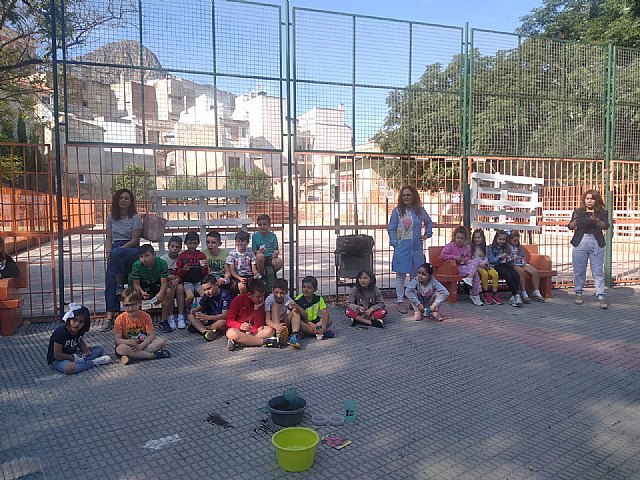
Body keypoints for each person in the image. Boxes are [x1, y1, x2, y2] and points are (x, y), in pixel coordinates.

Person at [387, 185, 433, 313]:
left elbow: (429, 222)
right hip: (402, 248)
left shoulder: (420, 211)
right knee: (400, 276)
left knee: (415, 277)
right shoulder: (397, 212)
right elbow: (391, 228)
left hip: (416, 249)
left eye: (408, 195)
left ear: (414, 196)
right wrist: (395, 243)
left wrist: (427, 234)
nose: (406, 197)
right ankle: (400, 301)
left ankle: (414, 302)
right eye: (404, 195)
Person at [104, 188, 142, 331]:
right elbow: (108, 238)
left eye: (126, 198)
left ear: (131, 201)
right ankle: (110, 318)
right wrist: (109, 252)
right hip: (114, 250)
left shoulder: (135, 217)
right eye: (121, 198)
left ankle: (135, 316)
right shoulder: (110, 218)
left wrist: (117, 251)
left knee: (117, 253)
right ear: (117, 200)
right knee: (110, 281)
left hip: (131, 249)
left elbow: (135, 239)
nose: (123, 200)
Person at [568, 189, 610, 309]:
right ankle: (578, 293)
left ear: (596, 200)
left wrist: (596, 220)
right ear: (584, 200)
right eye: (587, 198)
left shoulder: (602, 212)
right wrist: (576, 220)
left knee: (597, 271)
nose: (589, 201)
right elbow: (570, 226)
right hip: (580, 241)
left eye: (592, 198)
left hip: (596, 241)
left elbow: (606, 226)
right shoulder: (578, 211)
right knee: (579, 270)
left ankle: (601, 295)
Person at [47, 303, 113, 374]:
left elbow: (79, 340)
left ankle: (83, 361)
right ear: (69, 320)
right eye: (74, 320)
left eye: (81, 322)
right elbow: (57, 355)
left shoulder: (79, 330)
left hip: (74, 354)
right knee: (70, 368)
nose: (77, 324)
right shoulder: (61, 332)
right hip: (58, 360)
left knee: (99, 349)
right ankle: (94, 362)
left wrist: (85, 350)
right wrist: (73, 357)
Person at [114, 288, 170, 365]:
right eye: (126, 305)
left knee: (161, 342)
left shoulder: (145, 316)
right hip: (128, 344)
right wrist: (128, 342)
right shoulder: (120, 319)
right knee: (120, 349)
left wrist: (141, 346)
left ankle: (134, 356)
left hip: (143, 342)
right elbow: (117, 340)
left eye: (133, 304)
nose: (130, 308)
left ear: (140, 303)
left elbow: (151, 335)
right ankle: (152, 355)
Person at [225, 278, 279, 351]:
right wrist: (240, 325)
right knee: (231, 332)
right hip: (240, 330)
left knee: (270, 330)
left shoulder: (263, 303)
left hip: (255, 331)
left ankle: (241, 341)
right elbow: (229, 321)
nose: (261, 299)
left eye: (262, 296)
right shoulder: (237, 300)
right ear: (249, 294)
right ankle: (264, 342)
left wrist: (256, 310)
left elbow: (259, 325)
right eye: (258, 296)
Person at [129, 244, 172, 332]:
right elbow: (136, 284)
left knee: (168, 292)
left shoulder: (161, 263)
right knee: (135, 294)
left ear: (154, 255)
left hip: (156, 286)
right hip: (142, 287)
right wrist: (141, 292)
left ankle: (164, 321)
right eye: (141, 256)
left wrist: (160, 293)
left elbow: (164, 282)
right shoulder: (136, 265)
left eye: (147, 256)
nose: (144, 259)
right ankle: (139, 322)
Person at [440, 226, 483, 306]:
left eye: (462, 239)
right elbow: (443, 255)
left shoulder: (466, 247)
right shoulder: (450, 246)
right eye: (458, 238)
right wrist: (455, 258)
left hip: (465, 266)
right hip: (455, 267)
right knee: (475, 273)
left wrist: (465, 259)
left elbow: (469, 257)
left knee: (476, 262)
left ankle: (470, 281)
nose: (460, 240)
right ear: (454, 237)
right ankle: (474, 294)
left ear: (465, 239)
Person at [288, 275, 334, 348]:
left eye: (309, 287)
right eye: (304, 287)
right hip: (305, 322)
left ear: (315, 289)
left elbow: (325, 312)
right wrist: (312, 325)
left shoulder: (319, 298)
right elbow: (303, 317)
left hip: (315, 321)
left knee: (329, 320)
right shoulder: (299, 299)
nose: (306, 289)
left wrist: (324, 325)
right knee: (302, 324)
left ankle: (313, 332)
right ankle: (318, 333)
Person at [188, 274, 231, 341]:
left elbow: (225, 315)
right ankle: (206, 332)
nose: (207, 292)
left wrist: (207, 317)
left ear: (216, 285)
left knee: (223, 322)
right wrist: (195, 310)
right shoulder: (206, 295)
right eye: (204, 290)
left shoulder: (224, 295)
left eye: (209, 288)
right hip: (209, 319)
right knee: (191, 316)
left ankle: (203, 329)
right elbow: (200, 307)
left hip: (219, 319)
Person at [508, 231, 545, 303]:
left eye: (517, 241)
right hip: (513, 264)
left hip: (521, 262)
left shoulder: (519, 247)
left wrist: (521, 258)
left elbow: (523, 256)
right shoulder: (507, 247)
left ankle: (536, 291)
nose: (516, 242)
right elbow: (507, 257)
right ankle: (523, 292)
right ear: (509, 239)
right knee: (521, 273)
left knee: (534, 272)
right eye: (514, 241)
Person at [488, 230, 522, 307]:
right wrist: (499, 257)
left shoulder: (506, 247)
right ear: (496, 239)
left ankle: (513, 296)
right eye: (500, 239)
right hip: (496, 265)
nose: (502, 241)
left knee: (515, 275)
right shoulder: (491, 247)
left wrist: (510, 258)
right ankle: (516, 294)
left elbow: (508, 260)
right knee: (507, 276)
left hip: (505, 264)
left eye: (503, 240)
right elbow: (491, 260)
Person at [176, 231, 209, 313]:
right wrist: (183, 270)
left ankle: (202, 310)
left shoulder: (201, 255)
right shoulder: (182, 256)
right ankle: (188, 310)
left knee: (205, 295)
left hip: (199, 281)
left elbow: (205, 272)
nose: (192, 246)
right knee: (190, 297)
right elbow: (179, 272)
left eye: (194, 243)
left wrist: (205, 267)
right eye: (190, 243)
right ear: (186, 243)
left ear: (198, 243)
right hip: (187, 281)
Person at [160, 236, 186, 330]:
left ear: (180, 248)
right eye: (173, 246)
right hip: (167, 283)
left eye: (177, 247)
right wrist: (168, 277)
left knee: (180, 288)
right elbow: (161, 273)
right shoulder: (163, 259)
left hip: (178, 281)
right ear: (168, 246)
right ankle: (170, 316)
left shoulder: (182, 258)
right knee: (170, 290)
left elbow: (184, 273)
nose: (175, 249)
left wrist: (177, 279)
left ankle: (180, 316)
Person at [471, 229, 503, 305]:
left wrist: (487, 264)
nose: (477, 239)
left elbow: (486, 258)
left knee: (495, 274)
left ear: (482, 238)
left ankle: (494, 293)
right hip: (477, 266)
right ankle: (485, 293)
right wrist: (480, 265)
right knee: (484, 274)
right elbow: (472, 259)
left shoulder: (485, 247)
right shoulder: (471, 247)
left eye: (479, 237)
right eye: (475, 237)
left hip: (485, 265)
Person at [226, 230, 258, 296]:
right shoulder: (232, 254)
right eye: (238, 241)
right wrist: (240, 278)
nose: (240, 243)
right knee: (241, 287)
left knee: (258, 286)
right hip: (237, 276)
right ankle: (242, 303)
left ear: (247, 242)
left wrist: (259, 277)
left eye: (243, 241)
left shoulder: (251, 253)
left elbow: (254, 270)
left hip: (249, 276)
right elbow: (232, 272)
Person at [264, 278, 293, 346]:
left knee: (295, 311)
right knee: (275, 305)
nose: (279, 295)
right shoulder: (269, 300)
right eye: (276, 292)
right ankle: (279, 335)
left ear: (286, 292)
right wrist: (276, 326)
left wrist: (294, 307)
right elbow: (267, 320)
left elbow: (293, 307)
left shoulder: (287, 298)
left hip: (284, 322)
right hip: (273, 323)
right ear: (272, 290)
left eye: (282, 293)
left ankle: (295, 334)